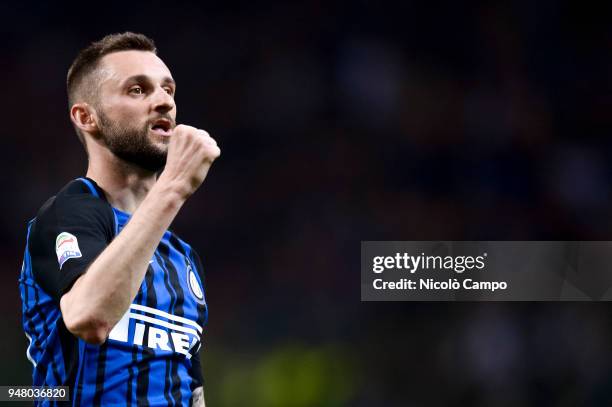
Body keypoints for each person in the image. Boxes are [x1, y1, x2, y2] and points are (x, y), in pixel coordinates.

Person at [18, 32, 220, 406]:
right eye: (138, 90)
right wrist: (173, 188)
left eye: (168, 90)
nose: (163, 102)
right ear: (86, 116)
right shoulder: (70, 213)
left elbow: (193, 391)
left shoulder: (183, 258)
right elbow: (89, 317)